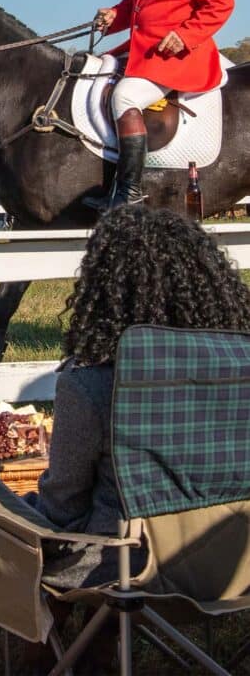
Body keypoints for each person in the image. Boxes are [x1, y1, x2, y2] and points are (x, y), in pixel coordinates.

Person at [27, 206, 250, 587]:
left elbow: (62, 507)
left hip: (129, 565)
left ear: (104, 292)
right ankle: (92, 642)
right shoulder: (241, 363)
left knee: (16, 524)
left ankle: (61, 643)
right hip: (235, 559)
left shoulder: (92, 386)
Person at [87, 0, 234, 210]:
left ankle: (130, 193)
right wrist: (113, 16)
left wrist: (185, 35)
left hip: (181, 56)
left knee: (124, 97)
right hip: (144, 51)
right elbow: (134, 6)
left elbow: (221, 2)